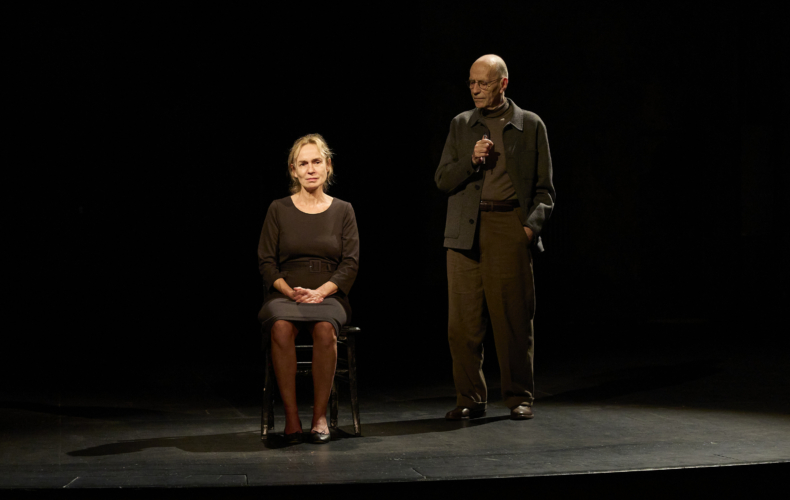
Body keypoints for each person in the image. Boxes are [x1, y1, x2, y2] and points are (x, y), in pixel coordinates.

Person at [435, 54, 555, 421]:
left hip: (508, 227)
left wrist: (528, 229)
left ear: (503, 83)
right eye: (471, 82)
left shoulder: (530, 125)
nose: (475, 89)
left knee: (514, 320)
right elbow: (442, 180)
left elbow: (545, 191)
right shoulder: (461, 125)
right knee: (463, 324)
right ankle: (470, 398)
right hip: (463, 231)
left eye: (483, 83)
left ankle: (519, 395)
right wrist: (471, 160)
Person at [258, 133, 359, 443]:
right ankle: (291, 418)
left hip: (329, 295)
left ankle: (319, 417)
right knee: (281, 328)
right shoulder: (278, 209)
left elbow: (350, 263)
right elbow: (266, 261)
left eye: (317, 162)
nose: (311, 168)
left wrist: (321, 292)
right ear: (293, 170)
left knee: (325, 329)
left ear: (327, 166)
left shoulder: (343, 210)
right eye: (303, 163)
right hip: (285, 293)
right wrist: (289, 291)